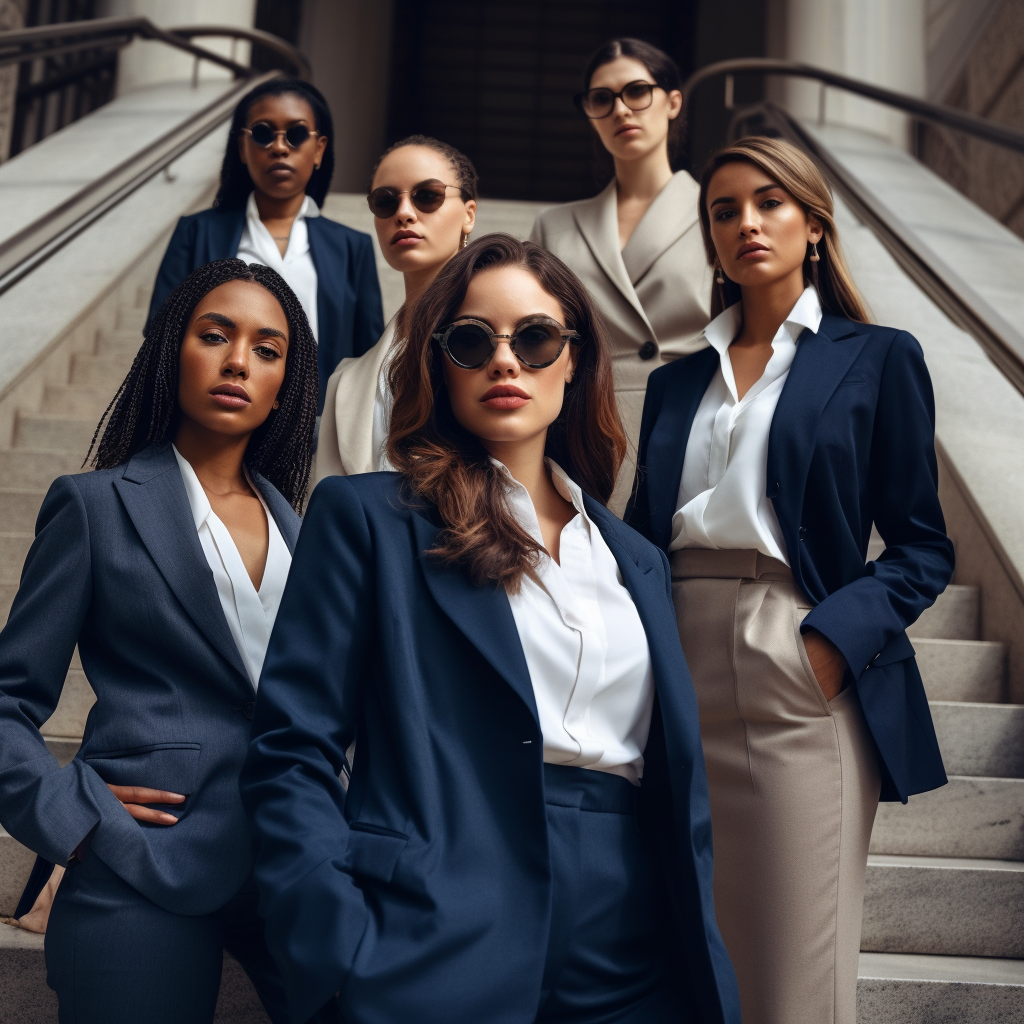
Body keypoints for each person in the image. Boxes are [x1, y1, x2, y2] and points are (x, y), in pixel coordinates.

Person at [240, 235, 741, 1024]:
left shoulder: (635, 558)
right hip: (432, 926)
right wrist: (337, 947)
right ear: (440, 365)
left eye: (536, 338)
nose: (506, 361)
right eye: (473, 341)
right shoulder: (370, 519)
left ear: (574, 359)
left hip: (633, 947)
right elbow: (290, 749)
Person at [626, 136, 955, 1024]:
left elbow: (925, 546)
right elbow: (639, 536)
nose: (744, 223)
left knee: (795, 981)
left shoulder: (878, 357)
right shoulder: (675, 383)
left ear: (813, 225)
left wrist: (828, 645)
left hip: (796, 656)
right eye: (724, 210)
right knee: (694, 959)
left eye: (768, 203)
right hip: (675, 658)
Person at [0, 258, 319, 1024]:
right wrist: (70, 816)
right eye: (216, 336)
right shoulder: (94, 507)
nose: (239, 361)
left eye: (267, 349)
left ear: (288, 381)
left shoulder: (310, 532)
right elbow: (8, 701)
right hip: (141, 861)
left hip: (293, 861)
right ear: (175, 348)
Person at [530, 38, 710, 511]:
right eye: (602, 99)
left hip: (695, 421)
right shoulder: (556, 224)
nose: (620, 110)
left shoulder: (720, 210)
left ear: (673, 102)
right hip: (591, 429)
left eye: (636, 92)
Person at [149, 78, 384, 412]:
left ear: (318, 149)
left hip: (316, 427)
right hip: (216, 415)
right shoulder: (197, 232)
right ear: (243, 147)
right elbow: (162, 337)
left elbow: (368, 357)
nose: (279, 147)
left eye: (296, 134)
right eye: (262, 133)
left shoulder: (352, 247)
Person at [315, 135, 477, 481]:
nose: (403, 213)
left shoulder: (502, 343)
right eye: (385, 201)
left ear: (469, 214)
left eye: (427, 196)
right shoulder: (344, 382)